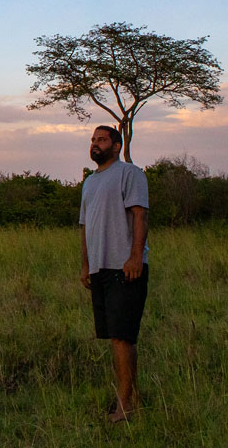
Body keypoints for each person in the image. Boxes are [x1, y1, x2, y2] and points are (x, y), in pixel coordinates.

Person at [79, 124, 149, 423]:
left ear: (117, 145)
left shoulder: (130, 174)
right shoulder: (90, 182)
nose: (95, 144)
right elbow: (85, 227)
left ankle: (125, 406)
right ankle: (129, 397)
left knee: (123, 337)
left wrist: (135, 257)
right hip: (100, 268)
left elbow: (139, 215)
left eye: (102, 140)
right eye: (93, 140)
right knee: (115, 338)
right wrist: (85, 266)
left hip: (125, 267)